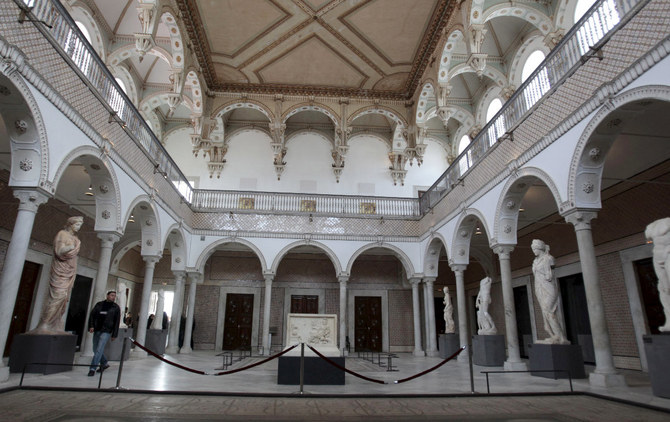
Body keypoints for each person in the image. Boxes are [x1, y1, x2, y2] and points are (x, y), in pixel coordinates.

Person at [32, 216, 83, 334]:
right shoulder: (62, 234)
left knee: (64, 298)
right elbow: (59, 251)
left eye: (80, 225)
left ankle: (55, 325)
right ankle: (44, 323)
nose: (78, 227)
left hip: (70, 269)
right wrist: (70, 247)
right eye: (77, 224)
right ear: (70, 224)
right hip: (60, 269)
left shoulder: (75, 238)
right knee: (58, 296)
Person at [531, 239, 568, 344]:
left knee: (549, 310)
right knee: (545, 312)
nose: (534, 251)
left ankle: (561, 337)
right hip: (539, 287)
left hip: (549, 286)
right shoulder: (535, 261)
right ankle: (554, 335)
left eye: (535, 249)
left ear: (540, 248)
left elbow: (550, 271)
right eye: (533, 249)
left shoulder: (549, 258)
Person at [87, 290, 121, 376]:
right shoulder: (99, 305)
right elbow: (92, 315)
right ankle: (104, 363)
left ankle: (92, 368)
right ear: (107, 296)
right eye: (112, 295)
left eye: (114, 296)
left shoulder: (116, 307)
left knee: (99, 349)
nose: (113, 297)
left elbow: (117, 321)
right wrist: (91, 326)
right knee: (95, 349)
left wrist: (114, 334)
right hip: (97, 328)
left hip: (107, 330)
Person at [645, 218, 670, 332]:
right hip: (658, 255)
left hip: (667, 253)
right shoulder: (651, 229)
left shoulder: (667, 225)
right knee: (663, 288)